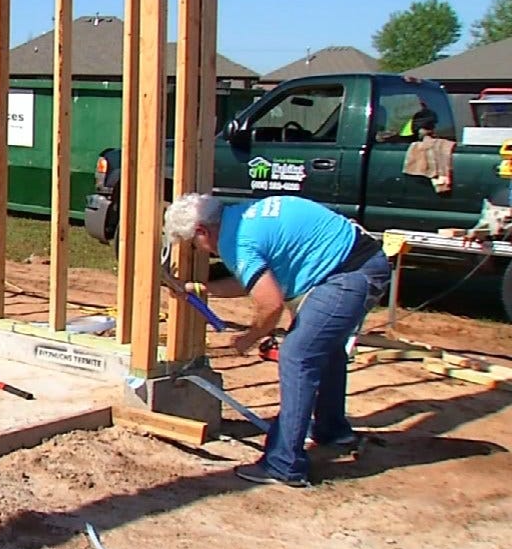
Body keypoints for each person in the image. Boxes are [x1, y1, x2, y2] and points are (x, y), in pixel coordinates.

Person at [162, 193, 391, 488]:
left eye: (195, 243)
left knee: (297, 355)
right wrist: (200, 288)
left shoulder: (237, 242)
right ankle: (333, 432)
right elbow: (257, 280)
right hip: (359, 263)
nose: (201, 250)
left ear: (203, 231)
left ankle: (284, 464)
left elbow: (271, 304)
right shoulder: (242, 217)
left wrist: (250, 337)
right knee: (326, 348)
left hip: (349, 275)